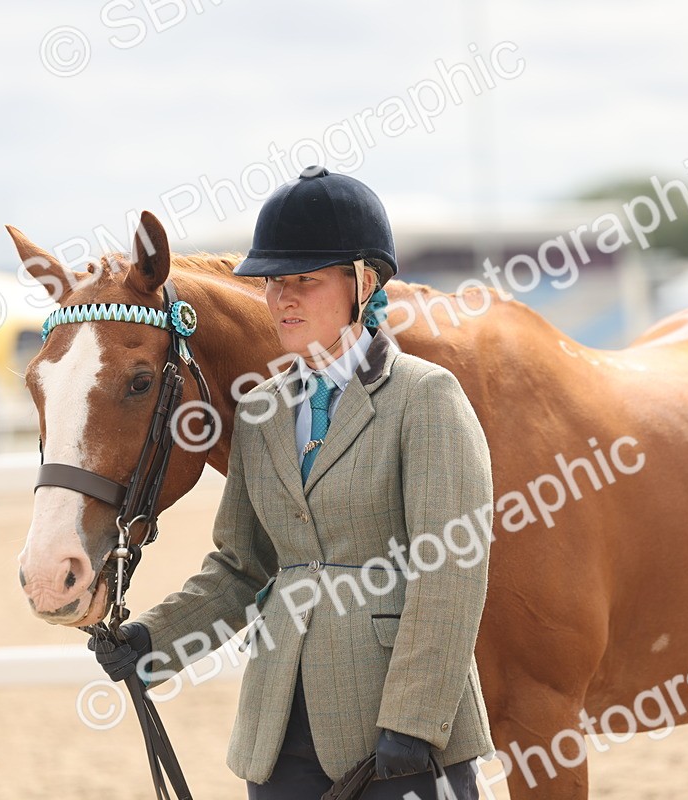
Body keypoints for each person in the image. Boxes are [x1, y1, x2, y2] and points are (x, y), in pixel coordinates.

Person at [91, 167, 495, 799]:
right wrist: (154, 642)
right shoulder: (260, 413)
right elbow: (241, 567)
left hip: (396, 729)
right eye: (276, 281)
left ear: (363, 282)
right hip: (279, 723)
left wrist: (413, 722)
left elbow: (451, 571)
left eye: (304, 280)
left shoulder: (427, 399)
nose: (282, 298)